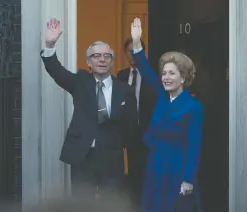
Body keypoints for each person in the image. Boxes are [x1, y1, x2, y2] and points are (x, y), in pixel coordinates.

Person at [41, 18, 138, 202]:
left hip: (111, 156)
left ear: (112, 61)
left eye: (107, 56)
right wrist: (50, 44)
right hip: (82, 155)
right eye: (96, 56)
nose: (102, 59)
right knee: (81, 203)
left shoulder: (124, 89)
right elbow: (56, 71)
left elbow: (131, 124)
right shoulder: (80, 82)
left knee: (113, 202)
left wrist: (117, 143)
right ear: (89, 62)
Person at [130, 17, 204, 212]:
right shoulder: (162, 96)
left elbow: (194, 146)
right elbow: (146, 71)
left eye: (172, 73)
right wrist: (137, 43)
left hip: (177, 171)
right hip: (155, 167)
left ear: (183, 77)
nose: (166, 77)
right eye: (164, 73)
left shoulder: (193, 106)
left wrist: (188, 179)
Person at [117, 38, 158, 209]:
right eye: (129, 51)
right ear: (125, 53)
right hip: (128, 133)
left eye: (136, 51)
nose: (132, 54)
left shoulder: (153, 76)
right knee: (131, 172)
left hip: (149, 132)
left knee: (148, 172)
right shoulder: (121, 75)